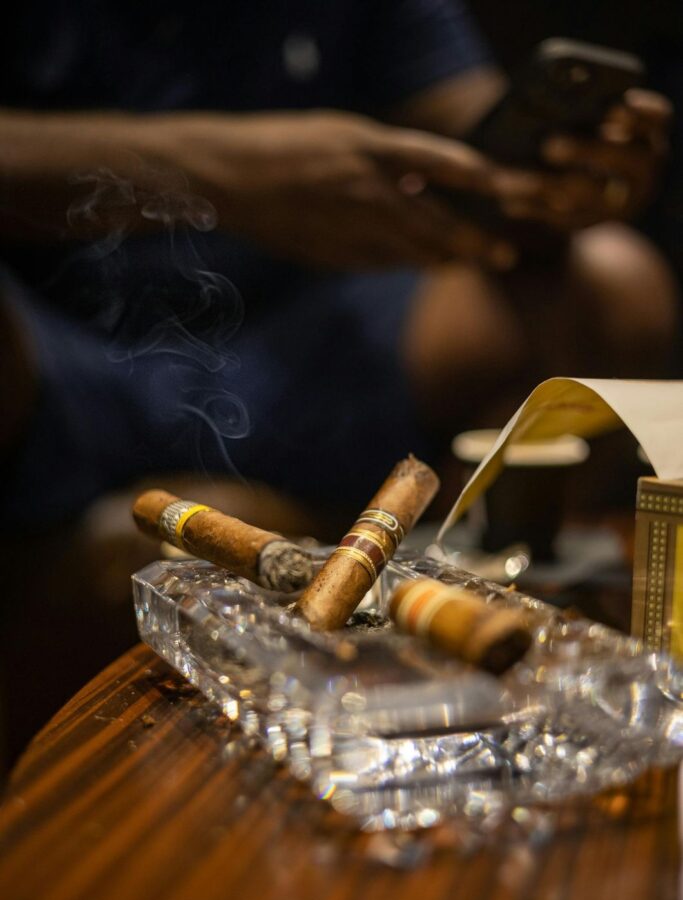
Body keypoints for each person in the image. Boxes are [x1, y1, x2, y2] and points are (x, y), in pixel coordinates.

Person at [0, 0, 677, 536]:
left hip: (304, 348)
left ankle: (450, 605)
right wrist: (227, 172)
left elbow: (465, 118)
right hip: (52, 349)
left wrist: (562, 180)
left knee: (613, 285)